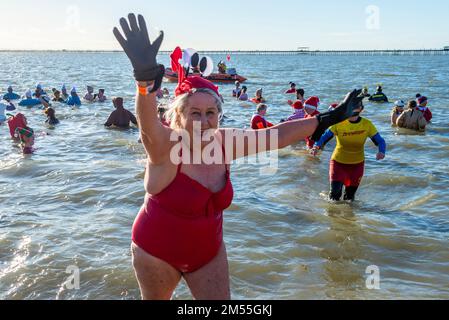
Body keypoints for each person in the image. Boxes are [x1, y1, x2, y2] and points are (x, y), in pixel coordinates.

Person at [113, 13, 364, 300]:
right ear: (178, 116)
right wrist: (144, 84)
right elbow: (147, 126)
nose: (204, 121)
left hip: (208, 254)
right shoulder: (166, 146)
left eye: (211, 113)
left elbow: (279, 136)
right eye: (195, 113)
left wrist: (329, 118)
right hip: (156, 251)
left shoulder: (225, 141)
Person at [311, 102, 386, 202]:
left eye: (356, 106)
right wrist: (317, 146)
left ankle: (348, 217)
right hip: (338, 163)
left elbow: (380, 141)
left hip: (357, 165)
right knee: (334, 195)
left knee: (350, 198)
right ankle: (332, 215)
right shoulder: (338, 123)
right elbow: (324, 137)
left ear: (361, 109)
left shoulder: (367, 124)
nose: (354, 109)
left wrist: (381, 151)